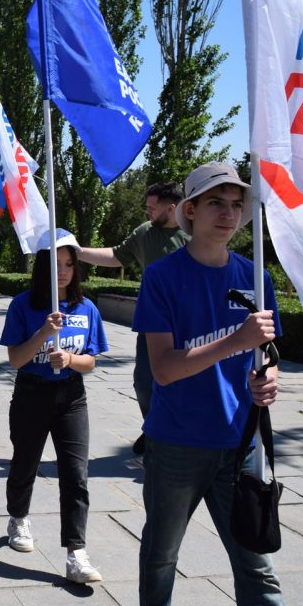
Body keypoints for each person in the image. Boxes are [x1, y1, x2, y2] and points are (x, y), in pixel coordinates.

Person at [132, 162, 292, 606]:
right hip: (176, 443)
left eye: (236, 203)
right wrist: (234, 341)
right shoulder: (162, 277)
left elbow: (267, 352)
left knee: (257, 566)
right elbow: (163, 369)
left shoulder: (253, 276)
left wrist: (268, 380)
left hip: (240, 445)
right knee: (162, 554)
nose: (228, 213)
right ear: (192, 210)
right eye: (216, 202)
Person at [0, 228, 107, 586]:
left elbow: (92, 361)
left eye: (69, 264)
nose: (63, 271)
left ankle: (76, 552)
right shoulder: (23, 306)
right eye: (56, 264)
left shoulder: (86, 308)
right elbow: (16, 359)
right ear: (42, 266)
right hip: (32, 394)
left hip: (72, 398)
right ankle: (18, 517)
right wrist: (43, 335)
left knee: (76, 474)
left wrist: (72, 359)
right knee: (24, 463)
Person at [76, 181, 186, 453]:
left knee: (184, 383)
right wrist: (77, 251)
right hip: (152, 324)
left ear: (171, 209)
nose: (147, 212)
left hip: (188, 324)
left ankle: (176, 437)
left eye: (152, 207)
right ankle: (154, 429)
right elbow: (116, 255)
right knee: (144, 383)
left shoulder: (194, 234)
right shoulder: (145, 233)